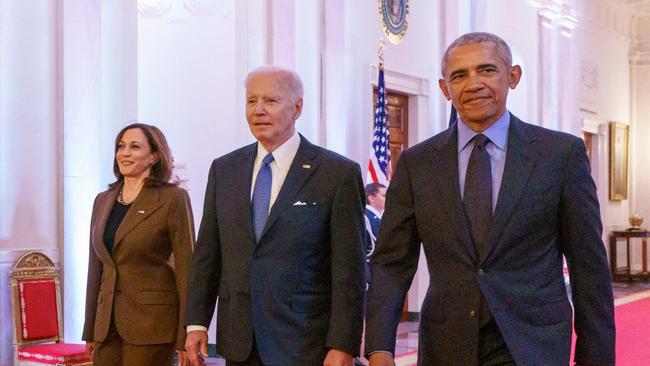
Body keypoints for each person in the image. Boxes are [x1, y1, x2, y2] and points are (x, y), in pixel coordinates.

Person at [364, 32, 615, 366]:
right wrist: (379, 347)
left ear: (513, 77)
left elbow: (589, 267)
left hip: (531, 344)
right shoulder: (418, 163)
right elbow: (392, 262)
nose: (473, 83)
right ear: (444, 89)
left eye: (487, 70)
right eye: (459, 75)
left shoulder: (559, 155)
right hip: (447, 344)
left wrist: (595, 358)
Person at [184, 66, 366, 366]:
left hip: (305, 341)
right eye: (251, 101)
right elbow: (208, 254)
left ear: (297, 107)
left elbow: (349, 269)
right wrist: (196, 323)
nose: (258, 111)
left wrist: (343, 344)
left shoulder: (336, 173)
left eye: (270, 101)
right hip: (240, 340)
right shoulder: (225, 169)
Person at [83, 123, 195, 365]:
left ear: (154, 155)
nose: (125, 153)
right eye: (121, 146)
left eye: (135, 147)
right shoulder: (102, 200)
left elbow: (188, 270)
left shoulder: (172, 198)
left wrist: (186, 332)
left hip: (151, 324)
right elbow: (96, 268)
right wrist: (90, 328)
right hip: (106, 325)